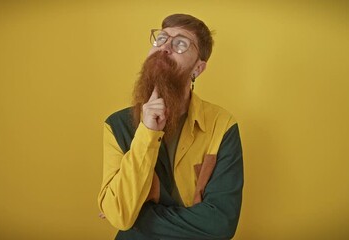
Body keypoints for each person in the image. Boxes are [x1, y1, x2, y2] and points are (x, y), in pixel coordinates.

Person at [98, 13, 244, 240]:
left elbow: (221, 223)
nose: (165, 47)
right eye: (161, 38)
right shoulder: (116, 125)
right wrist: (147, 133)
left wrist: (139, 219)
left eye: (181, 43)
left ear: (198, 68)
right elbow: (120, 215)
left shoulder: (222, 125)